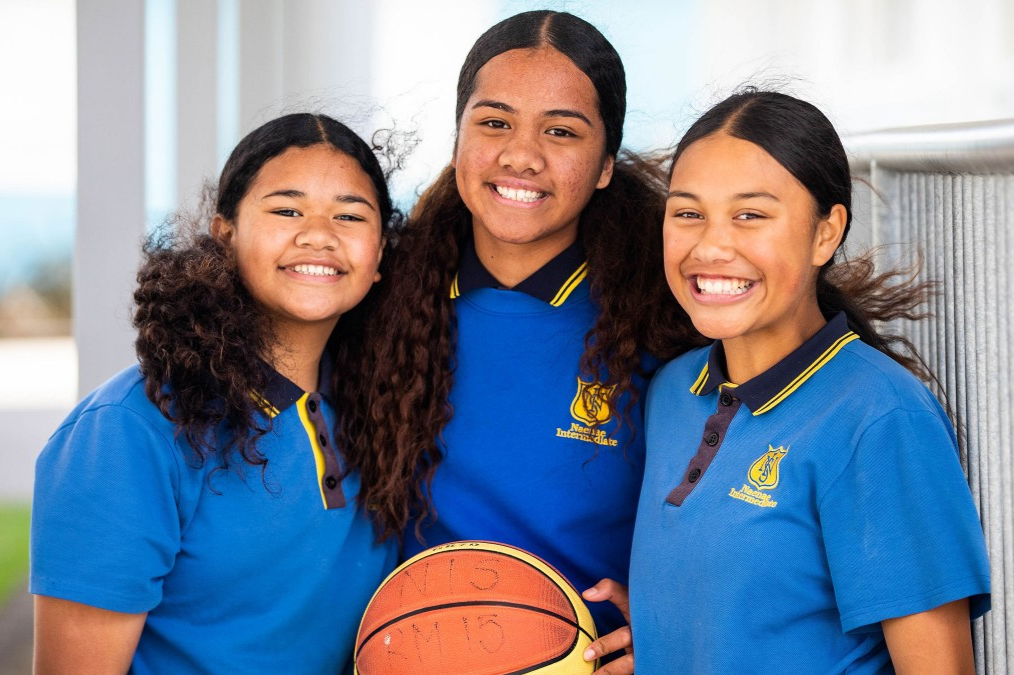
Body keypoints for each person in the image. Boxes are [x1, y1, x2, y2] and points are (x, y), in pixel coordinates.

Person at [341, 10, 701, 671]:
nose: (521, 155)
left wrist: (673, 632)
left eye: (561, 131)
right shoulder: (376, 300)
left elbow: (735, 533)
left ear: (603, 167)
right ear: (458, 141)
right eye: (495, 122)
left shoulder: (666, 323)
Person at [629, 90, 991, 673]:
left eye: (751, 214)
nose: (711, 246)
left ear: (826, 232)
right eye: (688, 212)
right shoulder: (672, 392)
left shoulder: (880, 418)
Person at [30, 113, 402, 673]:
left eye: (349, 215)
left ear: (379, 257)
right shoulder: (127, 431)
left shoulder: (384, 406)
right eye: (286, 209)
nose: (319, 234)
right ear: (224, 236)